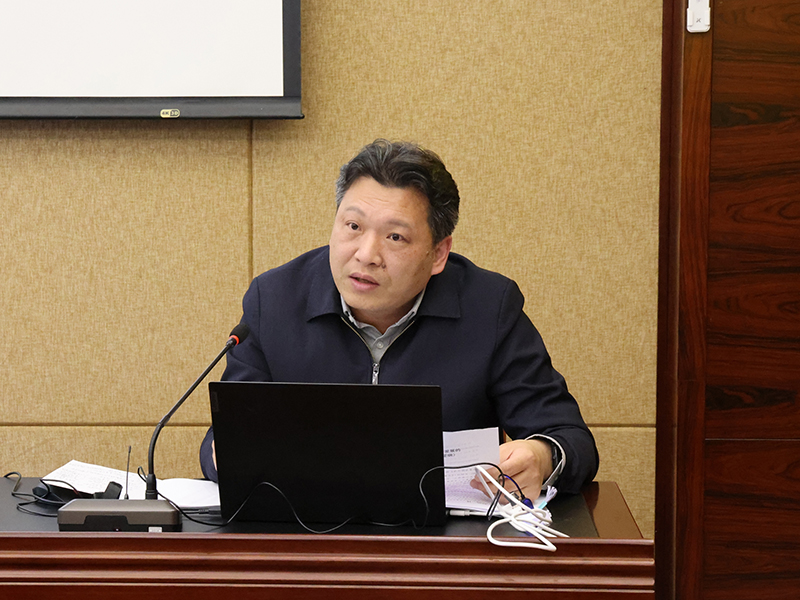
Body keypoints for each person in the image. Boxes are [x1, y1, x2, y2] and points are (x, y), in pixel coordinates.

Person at [200, 139, 598, 498]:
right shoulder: (274, 301)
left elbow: (569, 438)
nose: (366, 254)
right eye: (353, 226)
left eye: (395, 237)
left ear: (438, 253)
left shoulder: (488, 308)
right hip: (307, 534)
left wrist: (541, 456)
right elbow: (223, 437)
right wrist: (228, 454)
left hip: (443, 541)